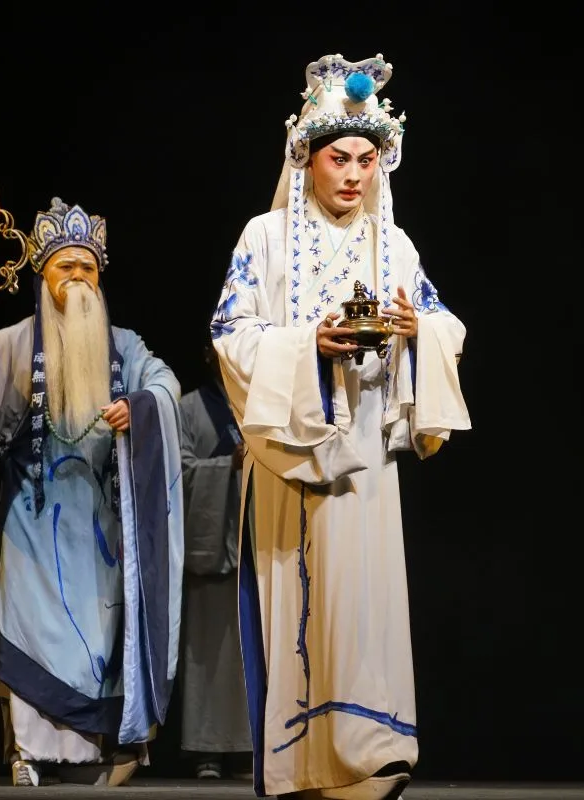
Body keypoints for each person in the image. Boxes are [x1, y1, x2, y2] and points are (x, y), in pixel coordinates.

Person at [209, 53, 471, 800]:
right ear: (308, 159)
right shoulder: (265, 237)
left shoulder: (396, 244)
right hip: (296, 443)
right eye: (339, 158)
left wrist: (421, 332)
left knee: (364, 601)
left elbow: (446, 323)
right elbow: (229, 334)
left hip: (367, 455)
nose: (354, 174)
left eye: (366, 159)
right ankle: (308, 765)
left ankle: (370, 750)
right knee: (308, 605)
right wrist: (306, 347)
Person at [0, 197, 185, 787]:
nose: (77, 277)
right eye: (65, 267)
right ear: (43, 277)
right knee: (31, 627)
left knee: (93, 641)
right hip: (33, 521)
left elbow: (165, 385)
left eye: (87, 268)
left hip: (100, 527)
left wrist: (140, 406)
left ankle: (89, 753)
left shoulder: (125, 346)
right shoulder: (14, 343)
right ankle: (26, 751)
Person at [178, 339, 253, 780]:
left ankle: (248, 748)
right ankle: (206, 750)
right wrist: (228, 466)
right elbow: (179, 473)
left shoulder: (261, 407)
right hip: (208, 544)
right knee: (207, 651)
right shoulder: (189, 408)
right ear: (210, 358)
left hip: (253, 544)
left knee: (250, 650)